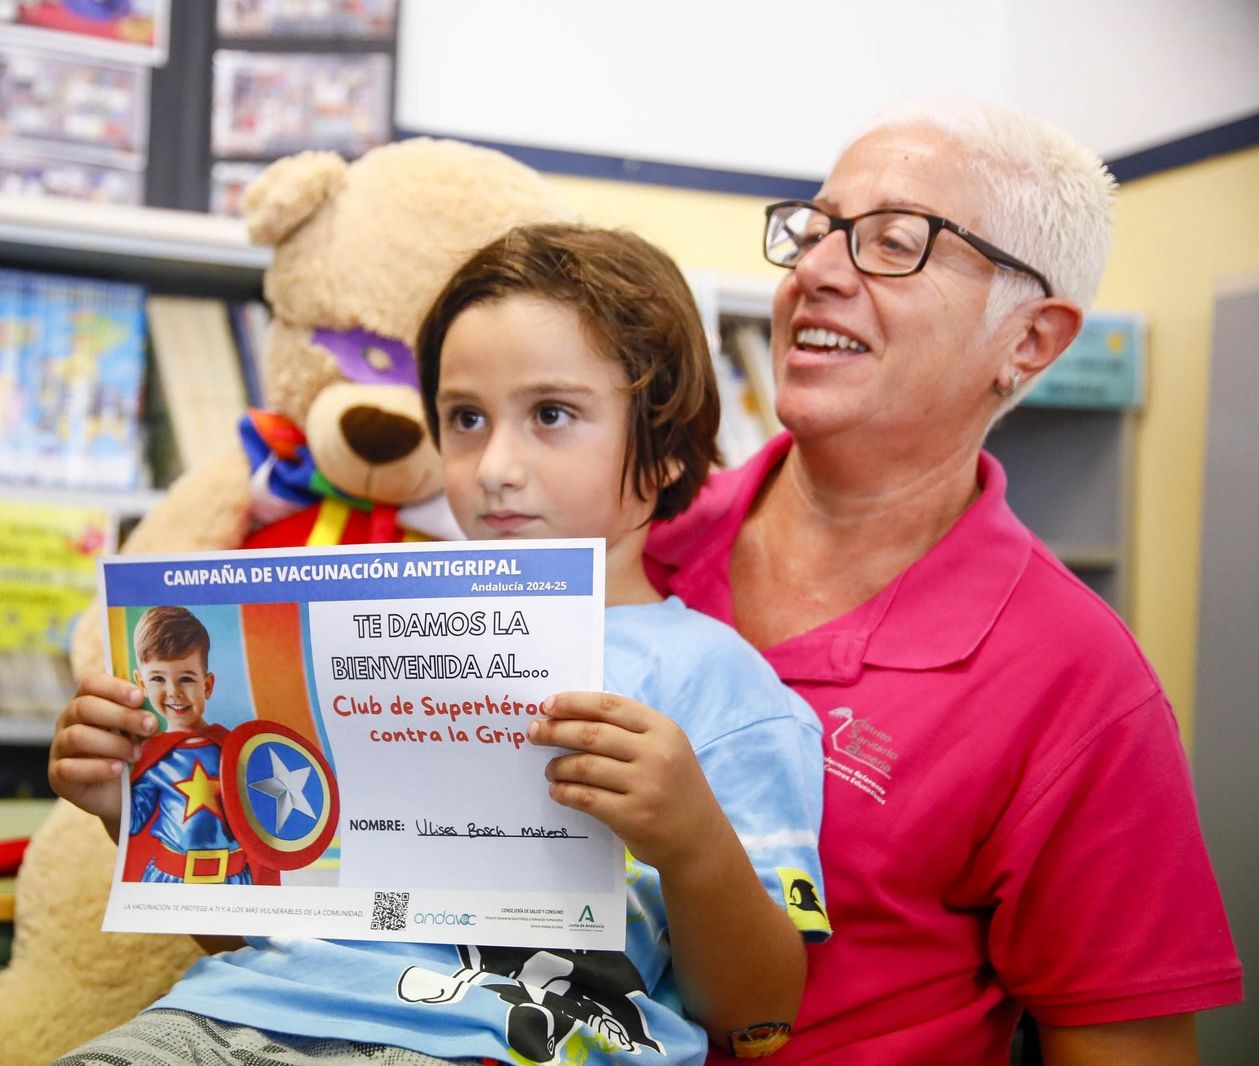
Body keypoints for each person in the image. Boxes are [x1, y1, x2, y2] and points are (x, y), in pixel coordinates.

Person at [47, 224, 829, 1066]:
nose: (494, 464)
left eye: (552, 414)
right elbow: (262, 930)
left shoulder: (716, 682)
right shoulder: (360, 621)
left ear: (668, 450)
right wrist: (134, 810)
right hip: (235, 1018)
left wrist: (693, 840)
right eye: (464, 418)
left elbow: (758, 1015)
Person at [642, 99, 1242, 1065]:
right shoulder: (637, 544)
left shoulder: (1079, 685)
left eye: (893, 242)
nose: (816, 271)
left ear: (1031, 341)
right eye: (817, 229)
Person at [121, 606, 258, 885]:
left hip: (234, 879)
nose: (173, 691)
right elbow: (131, 821)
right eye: (158, 678)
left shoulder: (233, 749)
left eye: (186, 678)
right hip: (170, 879)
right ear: (141, 683)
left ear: (207, 686)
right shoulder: (152, 756)